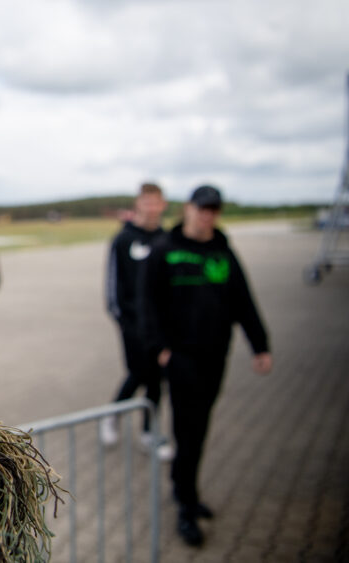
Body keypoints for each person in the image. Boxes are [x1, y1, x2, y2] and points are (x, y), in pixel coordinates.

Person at [141, 184, 273, 547]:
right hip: (180, 358)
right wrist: (160, 348)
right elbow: (147, 304)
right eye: (202, 208)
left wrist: (259, 345)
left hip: (215, 356)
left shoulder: (223, 252)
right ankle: (185, 504)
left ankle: (185, 490)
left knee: (199, 429)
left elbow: (244, 300)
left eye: (213, 210)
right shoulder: (164, 251)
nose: (207, 215)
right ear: (188, 208)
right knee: (188, 430)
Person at [100, 183, 174, 461]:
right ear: (138, 204)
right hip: (132, 324)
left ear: (163, 205)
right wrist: (122, 319)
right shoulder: (124, 239)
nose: (152, 206)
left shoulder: (167, 239)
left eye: (157, 202)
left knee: (157, 378)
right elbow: (113, 285)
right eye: (147, 201)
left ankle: (148, 432)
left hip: (161, 325)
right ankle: (112, 416)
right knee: (140, 373)